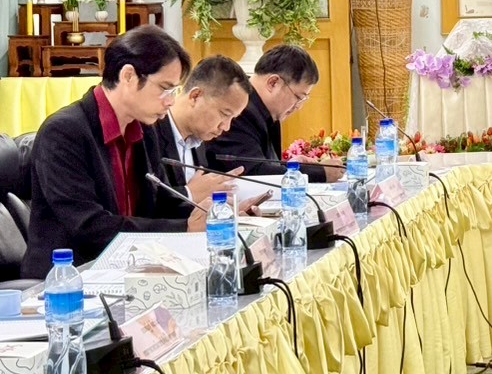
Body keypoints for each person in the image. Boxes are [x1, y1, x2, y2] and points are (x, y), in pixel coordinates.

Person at [20, 27, 202, 279]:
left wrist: (208, 215)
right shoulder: (64, 132)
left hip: (128, 269)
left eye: (174, 92)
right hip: (67, 280)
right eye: (165, 88)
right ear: (128, 76)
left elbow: (158, 205)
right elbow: (89, 226)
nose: (170, 101)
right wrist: (184, 229)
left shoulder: (144, 129)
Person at [204, 45, 344, 182]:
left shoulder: (263, 111)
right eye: (298, 97)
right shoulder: (238, 109)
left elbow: (262, 165)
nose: (298, 107)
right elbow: (252, 173)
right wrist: (319, 173)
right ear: (273, 83)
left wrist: (292, 166)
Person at [147, 55, 253, 203]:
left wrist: (230, 210)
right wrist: (189, 193)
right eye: (224, 114)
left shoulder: (200, 139)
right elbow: (146, 203)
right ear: (195, 96)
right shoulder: (149, 132)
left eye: (232, 118)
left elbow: (201, 199)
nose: (226, 126)